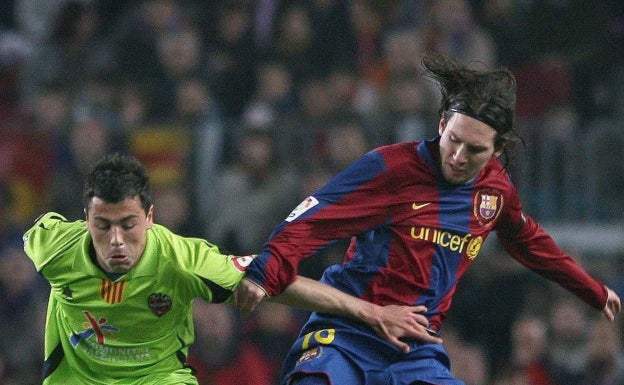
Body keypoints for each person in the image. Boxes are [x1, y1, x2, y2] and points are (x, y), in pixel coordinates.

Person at [233, 54, 622, 385]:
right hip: (348, 331)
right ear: (441, 124)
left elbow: (529, 241)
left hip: (414, 350)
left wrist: (591, 289)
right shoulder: (391, 168)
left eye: (475, 149)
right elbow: (314, 217)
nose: (457, 156)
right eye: (454, 139)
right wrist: (268, 267)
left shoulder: (495, 192)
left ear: (498, 150)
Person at [22, 153, 437, 385]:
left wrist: (372, 312)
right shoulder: (56, 247)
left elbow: (276, 280)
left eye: (128, 225)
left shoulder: (182, 261)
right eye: (102, 226)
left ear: (150, 216)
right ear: (85, 220)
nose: (116, 240)